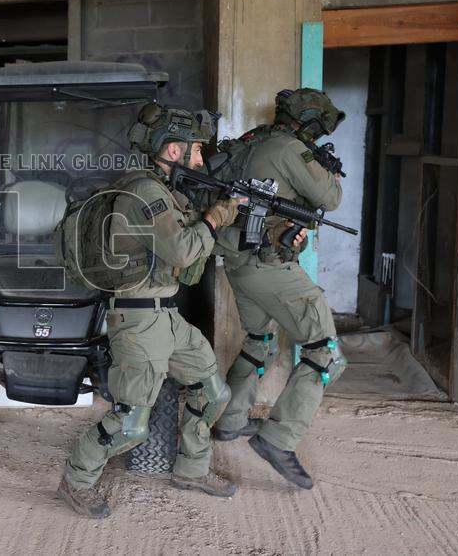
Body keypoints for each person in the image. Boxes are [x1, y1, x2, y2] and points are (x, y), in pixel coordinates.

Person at [57, 104, 244, 518]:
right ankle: (76, 480)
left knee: (212, 392)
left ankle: (192, 470)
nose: (200, 159)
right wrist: (214, 218)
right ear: (173, 151)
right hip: (138, 320)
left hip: (167, 315)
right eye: (196, 150)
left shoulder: (166, 191)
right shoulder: (146, 192)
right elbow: (181, 248)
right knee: (130, 423)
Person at [211, 88, 347, 490]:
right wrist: (331, 174)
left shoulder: (253, 140)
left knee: (259, 339)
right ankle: (278, 440)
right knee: (325, 352)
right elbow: (331, 198)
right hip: (270, 265)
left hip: (236, 261)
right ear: (309, 124)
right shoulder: (291, 150)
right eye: (319, 129)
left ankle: (230, 422)